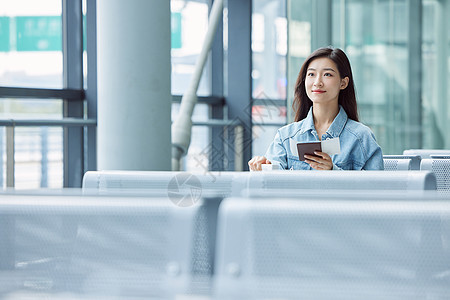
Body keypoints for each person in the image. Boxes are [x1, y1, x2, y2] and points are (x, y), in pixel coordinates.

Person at [248, 46, 384, 171]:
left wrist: (333, 171)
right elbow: (272, 182)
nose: (317, 82)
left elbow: (377, 189)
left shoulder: (361, 137)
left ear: (343, 83)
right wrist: (263, 167)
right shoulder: (286, 137)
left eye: (327, 74)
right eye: (311, 74)